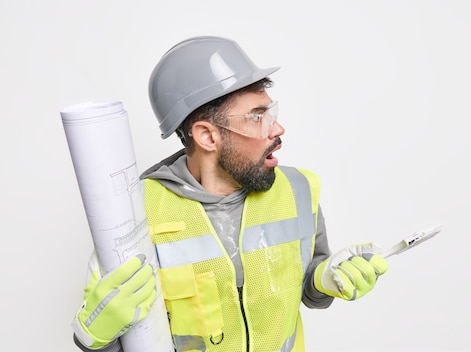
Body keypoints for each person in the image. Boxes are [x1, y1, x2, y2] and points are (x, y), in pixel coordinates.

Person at [71, 36, 389, 352]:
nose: (277, 129)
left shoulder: (298, 190)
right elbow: (126, 333)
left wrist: (325, 278)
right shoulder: (136, 212)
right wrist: (94, 336)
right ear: (207, 135)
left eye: (271, 112)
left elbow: (309, 289)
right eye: (257, 116)